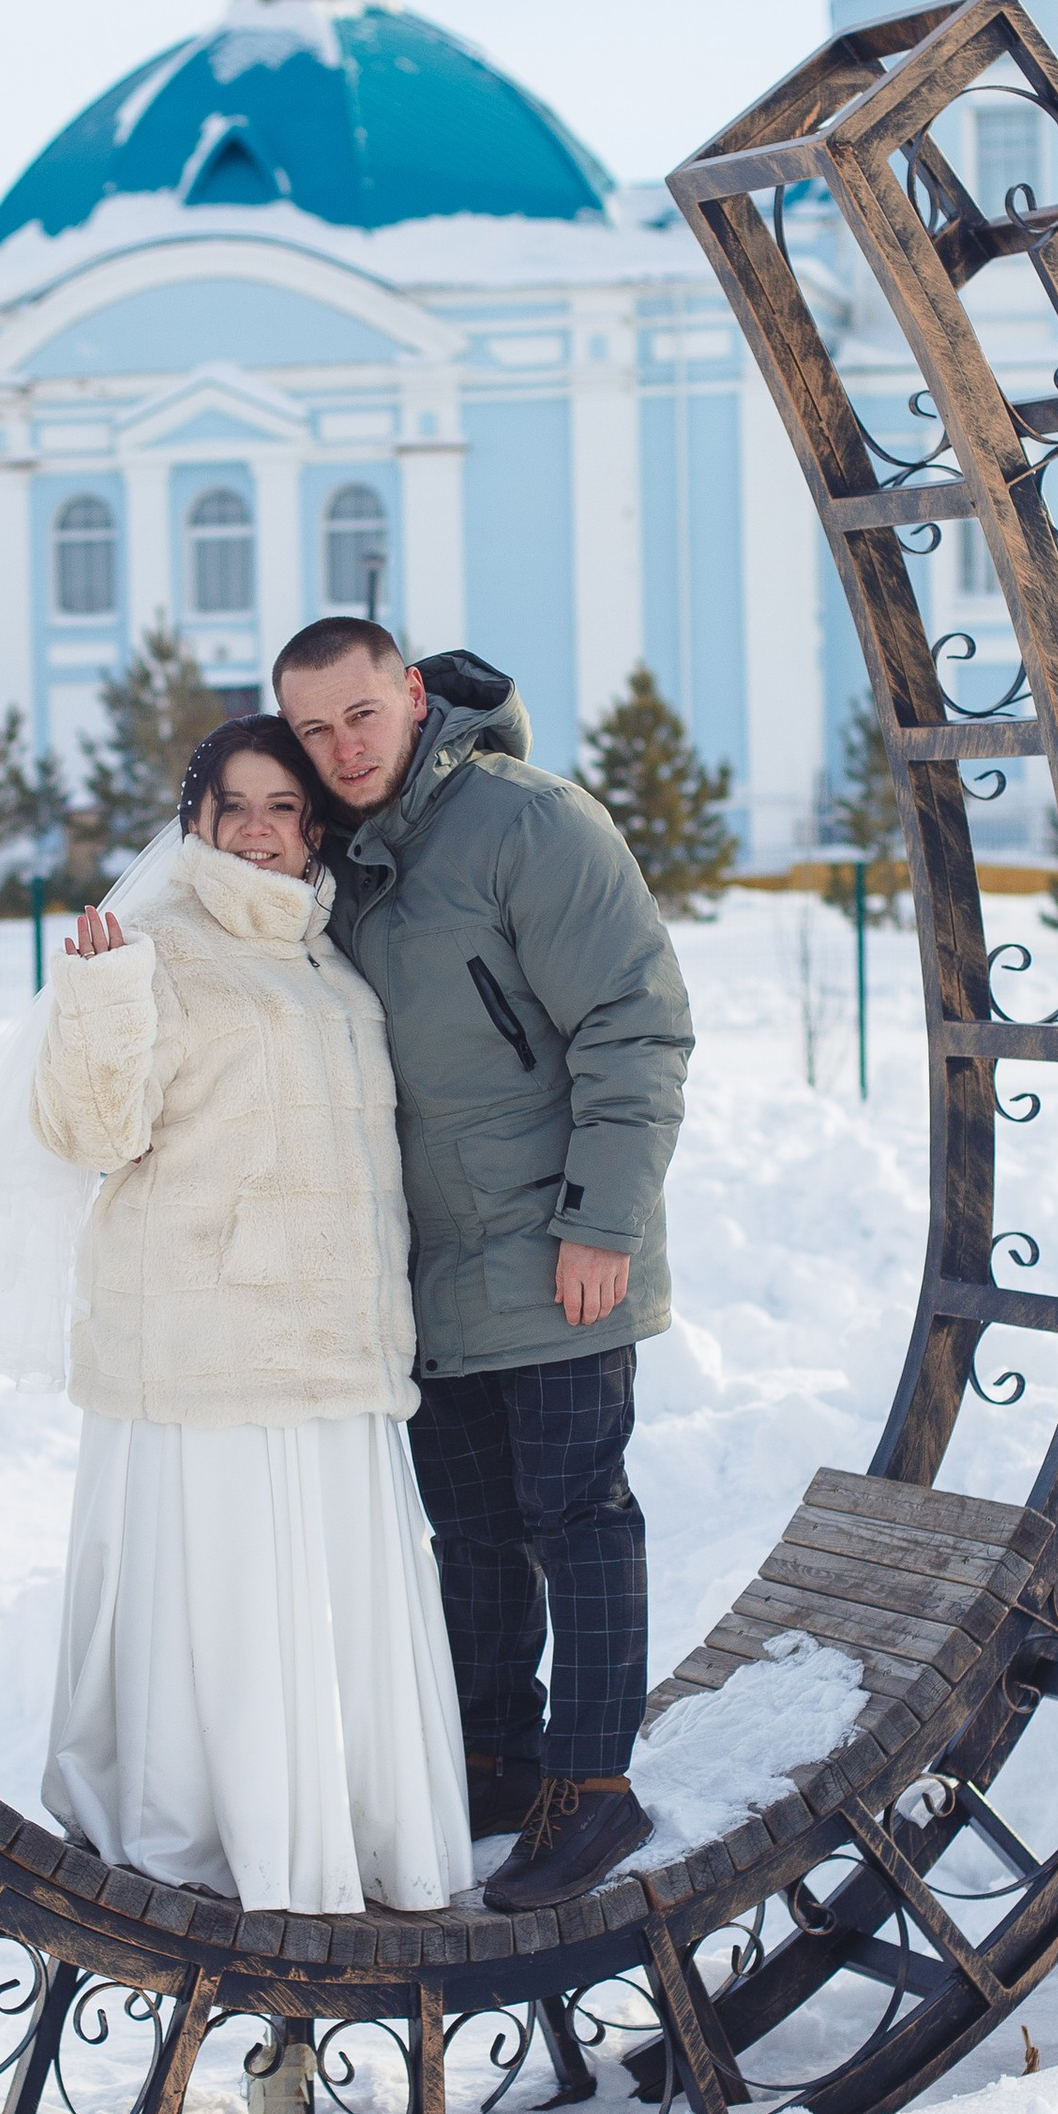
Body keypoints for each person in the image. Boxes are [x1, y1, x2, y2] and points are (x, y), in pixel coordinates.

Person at [0, 714, 472, 1915]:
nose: (256, 828)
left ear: (313, 829)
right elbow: (93, 1134)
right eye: (230, 805)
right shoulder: (157, 942)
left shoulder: (323, 954)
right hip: (212, 1351)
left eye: (282, 807)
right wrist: (95, 995)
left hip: (334, 1348)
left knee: (330, 1610)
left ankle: (346, 1831)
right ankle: (213, 1836)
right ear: (191, 822)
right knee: (237, 1608)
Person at [273, 621, 695, 1913]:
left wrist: (601, 1223)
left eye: (361, 715)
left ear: (410, 697)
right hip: (427, 1271)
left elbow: (637, 1022)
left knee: (578, 1518)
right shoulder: (340, 852)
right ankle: (497, 1757)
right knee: (472, 1535)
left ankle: (592, 1789)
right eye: (313, 731)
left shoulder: (527, 824)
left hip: (557, 1247)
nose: (342, 749)